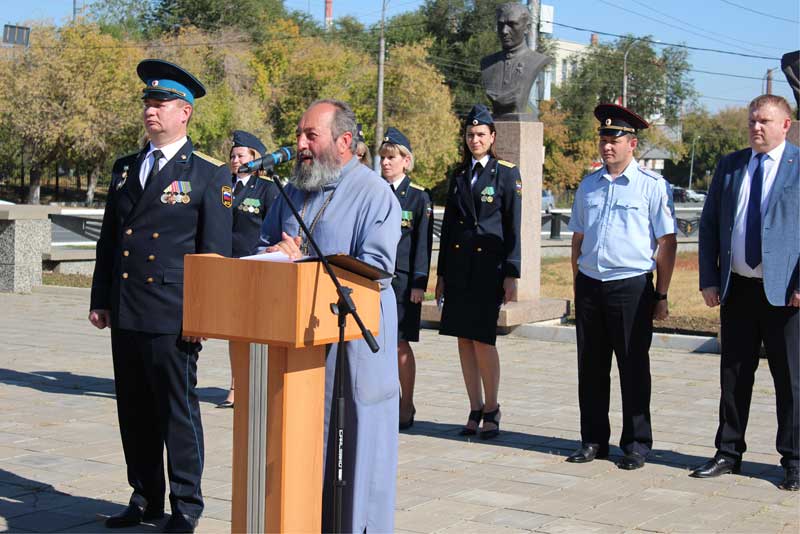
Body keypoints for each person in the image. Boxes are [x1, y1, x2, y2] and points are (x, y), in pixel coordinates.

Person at [88, 59, 232, 533]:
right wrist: (101, 297)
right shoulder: (127, 167)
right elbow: (111, 237)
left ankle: (186, 506)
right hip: (128, 307)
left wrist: (203, 317)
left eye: (161, 103)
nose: (151, 111)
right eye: (148, 102)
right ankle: (145, 498)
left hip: (174, 314)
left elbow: (213, 254)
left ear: (185, 112)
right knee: (133, 410)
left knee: (177, 413)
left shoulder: (209, 174)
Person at [257, 99, 401, 532]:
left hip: (351, 348)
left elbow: (376, 271)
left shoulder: (373, 193)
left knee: (354, 458)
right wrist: (273, 255)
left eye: (310, 136)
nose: (299, 144)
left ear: (343, 142)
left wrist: (301, 263)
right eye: (299, 134)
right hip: (297, 349)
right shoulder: (292, 190)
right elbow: (265, 245)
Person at [692, 94, 799, 491]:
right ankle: (728, 452)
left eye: (765, 121)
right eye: (753, 120)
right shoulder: (732, 165)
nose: (756, 127)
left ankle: (794, 459)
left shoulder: (798, 165)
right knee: (734, 375)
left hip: (785, 295)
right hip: (737, 290)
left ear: (785, 125)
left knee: (791, 381)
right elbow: (709, 225)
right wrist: (709, 278)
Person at [566, 103, 677, 471]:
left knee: (632, 366)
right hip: (591, 285)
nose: (607, 146)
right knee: (591, 367)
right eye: (603, 139)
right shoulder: (588, 185)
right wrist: (577, 282)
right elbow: (578, 237)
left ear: (632, 144)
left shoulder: (651, 187)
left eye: (615, 139)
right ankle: (593, 440)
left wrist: (661, 294)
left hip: (630, 286)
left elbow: (666, 242)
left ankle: (636, 443)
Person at [435, 104, 521, 440]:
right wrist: (440, 275)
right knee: (463, 340)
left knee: (483, 340)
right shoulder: (458, 176)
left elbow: (513, 227)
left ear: (492, 137)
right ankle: (474, 406)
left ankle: (492, 407)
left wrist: (511, 273)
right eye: (470, 134)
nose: (475, 139)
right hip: (458, 269)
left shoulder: (506, 174)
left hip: (488, 269)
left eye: (481, 134)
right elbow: (450, 231)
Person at [216, 130, 280, 409]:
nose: (235, 159)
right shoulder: (222, 185)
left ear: (255, 158)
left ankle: (260, 384)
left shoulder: (267, 189)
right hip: (228, 266)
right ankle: (236, 385)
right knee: (235, 331)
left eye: (241, 155)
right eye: (232, 155)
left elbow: (275, 228)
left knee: (256, 330)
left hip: (256, 267)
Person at [379, 127, 433, 429]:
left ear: (406, 161)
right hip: (374, 279)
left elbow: (422, 244)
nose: (386, 163)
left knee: (400, 345)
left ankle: (406, 402)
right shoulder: (374, 191)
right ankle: (384, 401)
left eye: (392, 158)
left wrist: (418, 283)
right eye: (383, 157)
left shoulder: (417, 197)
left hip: (402, 284)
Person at [480, 3, 550, 116]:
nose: (504, 31)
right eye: (501, 25)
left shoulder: (536, 61)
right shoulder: (487, 63)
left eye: (512, 24)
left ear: (526, 28)